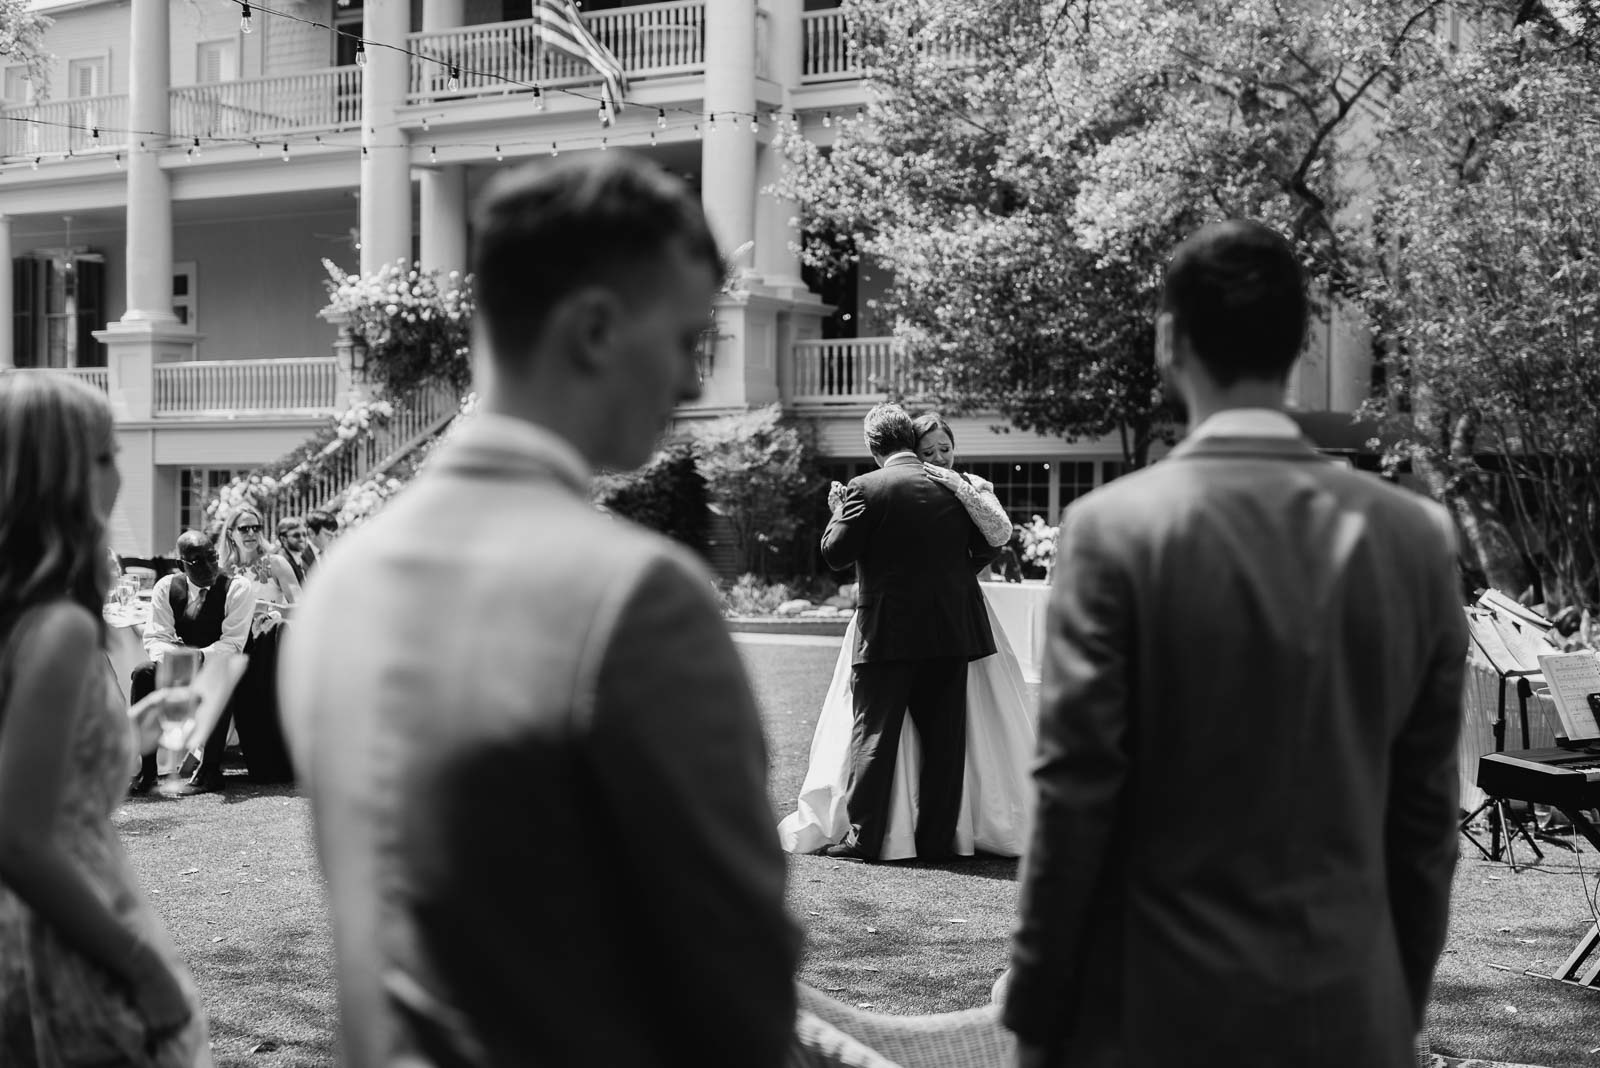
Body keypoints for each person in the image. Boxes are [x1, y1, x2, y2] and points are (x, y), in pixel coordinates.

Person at [280, 154, 799, 1066]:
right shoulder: (639, 597)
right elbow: (738, 983)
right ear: (595, 329)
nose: (689, 383)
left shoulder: (341, 581)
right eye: (688, 341)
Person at [1004, 220, 1466, 1068]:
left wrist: (1036, 1016)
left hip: (1154, 1015)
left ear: (1169, 341)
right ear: (1297, 344)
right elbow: (1427, 819)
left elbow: (1075, 799)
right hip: (1349, 1011)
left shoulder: (1111, 532)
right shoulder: (1414, 538)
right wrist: (1396, 1003)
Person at [0, 371, 212, 1067]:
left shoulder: (24, 614)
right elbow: (22, 838)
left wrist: (137, 723)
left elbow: (52, 784)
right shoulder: (58, 627)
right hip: (64, 933)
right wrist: (142, 966)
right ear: (57, 477)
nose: (119, 472)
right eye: (103, 455)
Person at [781, 412, 1036, 859]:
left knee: (875, 735)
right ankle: (938, 840)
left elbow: (836, 554)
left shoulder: (865, 488)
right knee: (945, 741)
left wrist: (838, 511)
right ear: (911, 441)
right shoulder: (958, 487)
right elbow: (987, 545)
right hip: (952, 630)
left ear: (872, 444)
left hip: (887, 632)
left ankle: (865, 837)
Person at [127, 531, 255, 795]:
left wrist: (196, 657)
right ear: (180, 564)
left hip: (222, 665)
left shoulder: (238, 587)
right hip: (178, 666)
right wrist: (173, 662)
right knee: (143, 674)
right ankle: (148, 771)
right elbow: (157, 637)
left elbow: (233, 643)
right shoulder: (166, 587)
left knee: (221, 677)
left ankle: (210, 770)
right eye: (198, 561)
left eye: (212, 557)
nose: (209, 566)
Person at [188, 507, 298, 790]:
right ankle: (203, 759)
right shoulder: (222, 569)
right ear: (230, 533)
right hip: (235, 642)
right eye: (244, 528)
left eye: (255, 528)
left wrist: (265, 607)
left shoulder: (275, 563)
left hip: (270, 642)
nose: (251, 534)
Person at [274, 516, 311, 586]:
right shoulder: (282, 562)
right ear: (283, 539)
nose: (302, 539)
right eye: (296, 535)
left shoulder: (302, 557)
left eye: (304, 535)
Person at [300, 510, 337, 575]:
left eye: (334, 535)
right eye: (327, 535)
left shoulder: (331, 553)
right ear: (311, 533)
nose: (332, 539)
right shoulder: (300, 555)